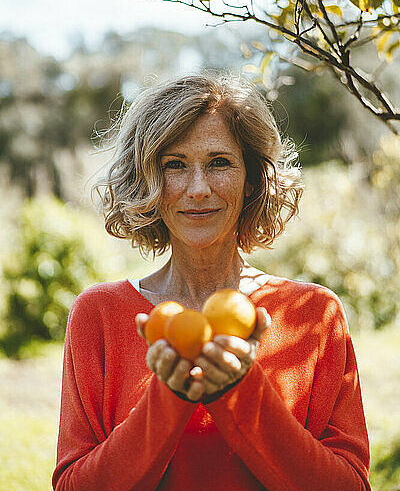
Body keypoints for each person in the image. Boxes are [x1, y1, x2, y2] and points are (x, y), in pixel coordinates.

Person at [52, 73, 371, 491]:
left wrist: (242, 391)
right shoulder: (98, 315)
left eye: (219, 162)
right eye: (174, 165)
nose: (198, 189)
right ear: (146, 181)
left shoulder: (313, 314)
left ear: (253, 179)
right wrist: (170, 398)